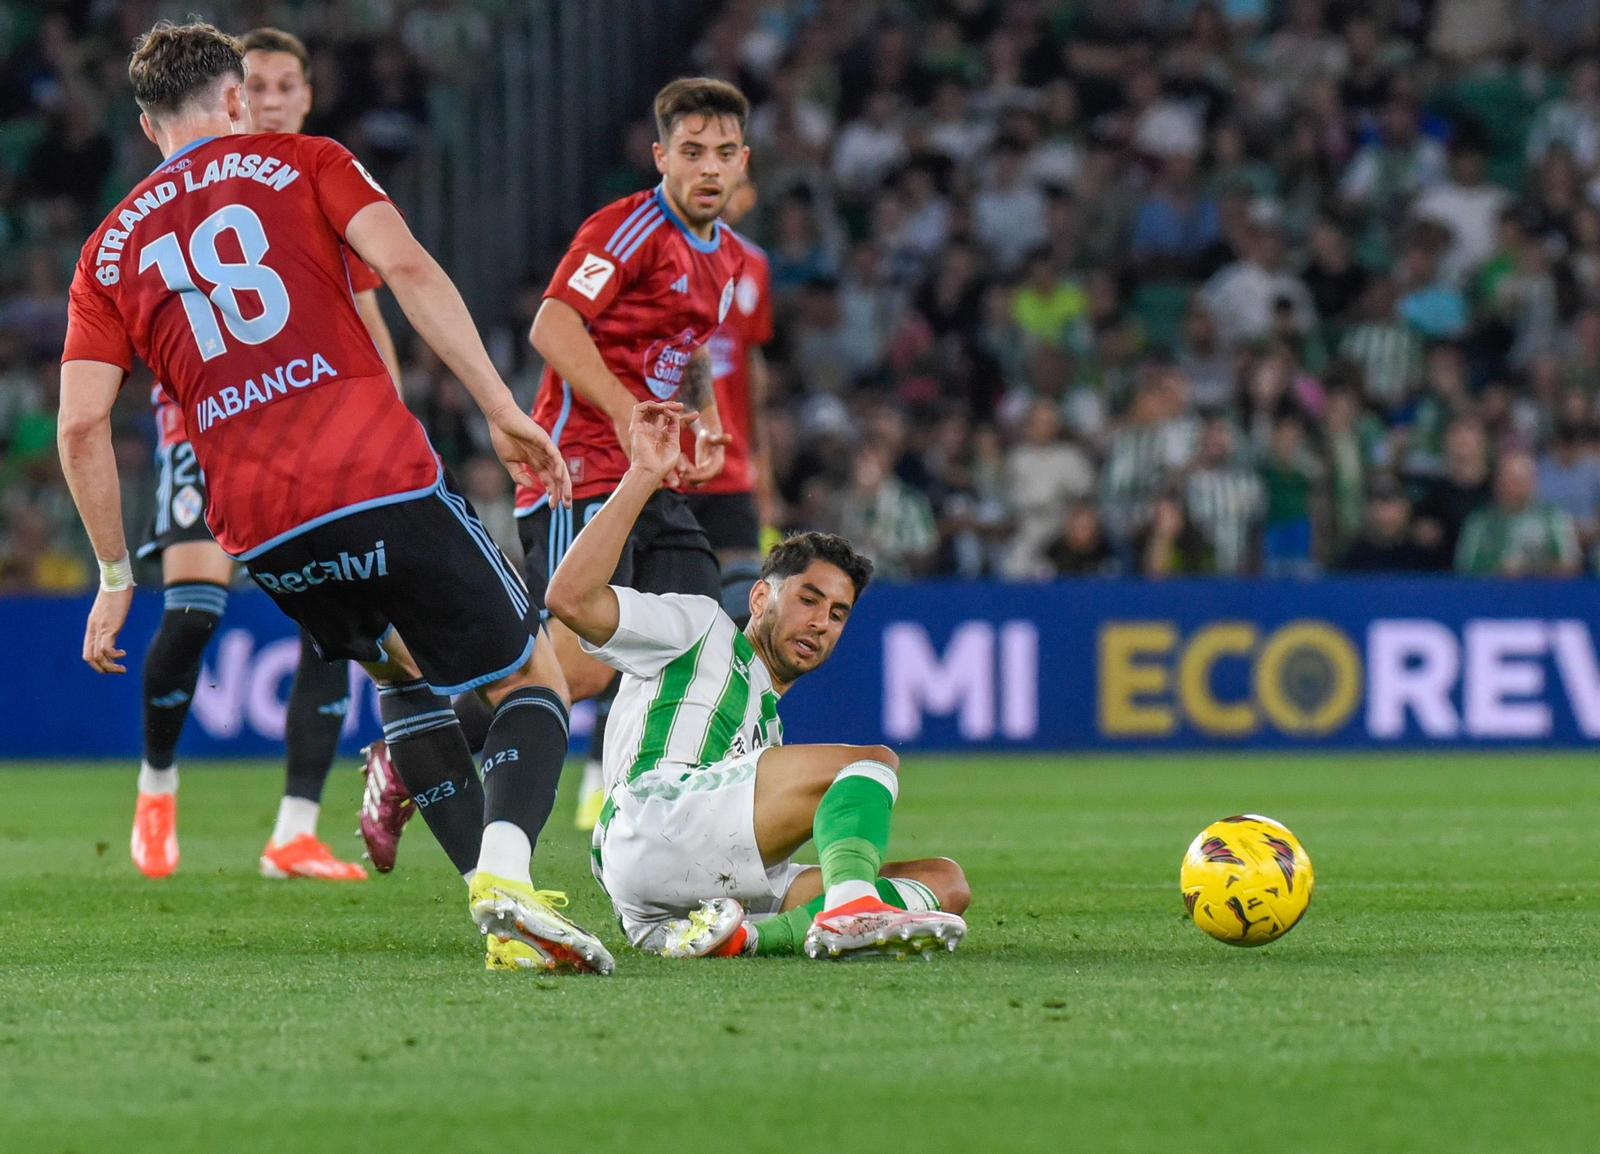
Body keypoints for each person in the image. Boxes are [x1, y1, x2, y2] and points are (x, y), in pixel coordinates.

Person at [58, 20, 610, 974]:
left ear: (149, 127)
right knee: (533, 678)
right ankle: (507, 880)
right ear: (235, 99)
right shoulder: (308, 160)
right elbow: (406, 270)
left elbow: (79, 428)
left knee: (402, 680)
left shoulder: (107, 250)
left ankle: (504, 921)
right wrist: (499, 405)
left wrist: (115, 574)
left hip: (262, 528)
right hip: (376, 476)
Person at [361, 78, 751, 860]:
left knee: (702, 633)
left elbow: (690, 345)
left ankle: (669, 824)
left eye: (724, 153)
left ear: (744, 160)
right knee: (574, 668)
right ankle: (411, 755)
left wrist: (707, 420)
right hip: (580, 470)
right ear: (660, 156)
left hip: (648, 475)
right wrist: (625, 412)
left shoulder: (728, 254)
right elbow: (553, 323)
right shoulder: (630, 227)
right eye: (691, 152)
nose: (709, 168)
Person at [545, 400, 970, 960]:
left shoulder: (766, 725)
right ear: (761, 597)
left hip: (675, 899)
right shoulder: (699, 627)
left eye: (837, 614)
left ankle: (743, 938)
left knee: (944, 883)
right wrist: (644, 475)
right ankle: (850, 912)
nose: (820, 622)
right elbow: (569, 598)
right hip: (650, 822)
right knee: (871, 763)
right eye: (809, 599)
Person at [129, 27, 404, 883]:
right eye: (260, 83)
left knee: (335, 622)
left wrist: (390, 417)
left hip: (310, 434)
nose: (274, 97)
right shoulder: (181, 183)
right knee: (195, 612)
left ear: (305, 97)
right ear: (233, 95)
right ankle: (158, 782)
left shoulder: (314, 176)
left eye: (289, 84)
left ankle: (293, 830)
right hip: (201, 429)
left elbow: (365, 314)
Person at [1455, 450, 1582, 577]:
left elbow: (1570, 564)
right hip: (1493, 592)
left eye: (1523, 478)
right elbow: (1466, 567)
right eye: (1511, 479)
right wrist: (1499, 570)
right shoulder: (1480, 521)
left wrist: (1527, 569)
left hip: (1545, 593)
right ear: (1497, 482)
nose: (1517, 485)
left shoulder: (1553, 518)